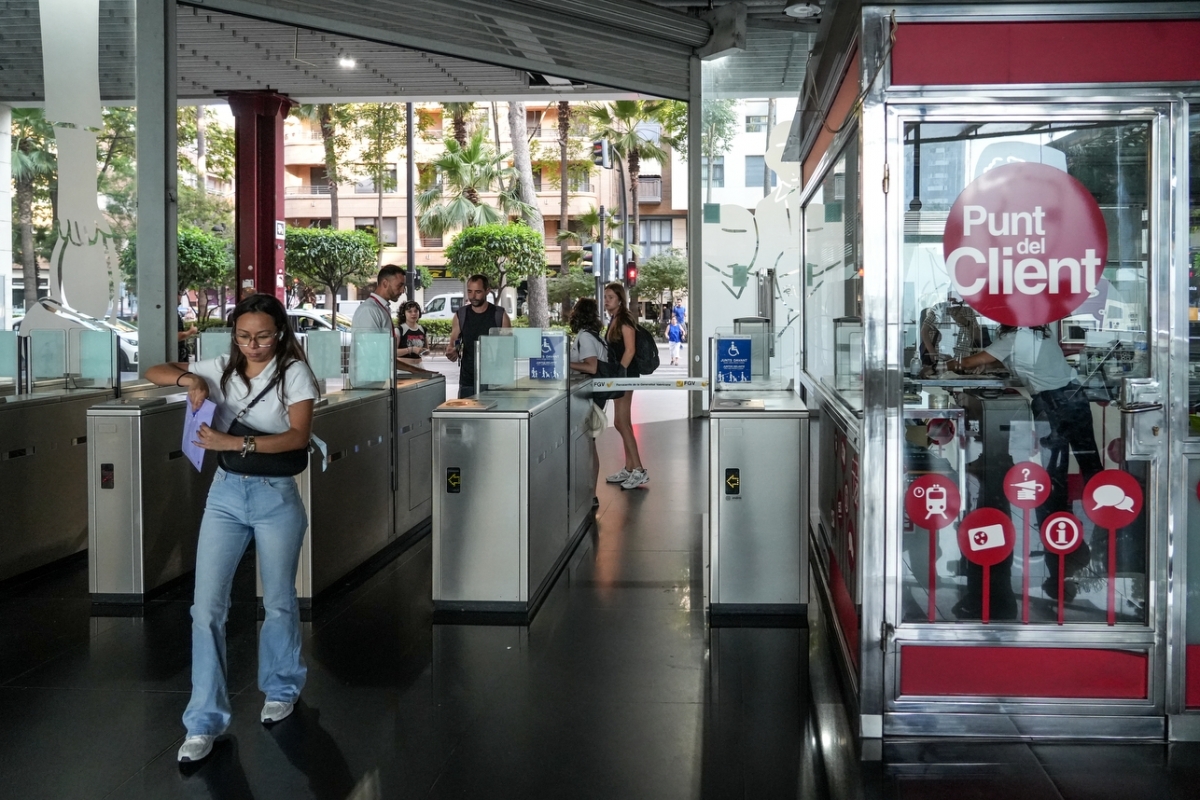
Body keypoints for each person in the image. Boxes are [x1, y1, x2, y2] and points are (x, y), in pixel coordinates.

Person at [144, 294, 319, 764]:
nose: (253, 344)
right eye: (244, 336)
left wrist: (231, 440)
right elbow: (152, 371)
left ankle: (281, 688)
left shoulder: (294, 373)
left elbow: (297, 436)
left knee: (278, 600)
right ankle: (203, 721)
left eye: (262, 335)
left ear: (279, 332)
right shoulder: (221, 366)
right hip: (225, 494)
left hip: (276, 496)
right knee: (206, 608)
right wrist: (190, 380)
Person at [950, 324, 1102, 603]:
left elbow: (971, 362)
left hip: (1051, 403)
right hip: (1075, 396)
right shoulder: (1040, 334)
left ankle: (1057, 520)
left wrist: (945, 363)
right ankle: (1104, 519)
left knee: (1054, 468)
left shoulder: (1012, 338)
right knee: (1089, 460)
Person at [603, 282, 647, 490]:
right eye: (605, 297)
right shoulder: (614, 319)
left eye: (610, 297)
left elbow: (630, 350)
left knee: (621, 422)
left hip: (626, 375)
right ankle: (630, 468)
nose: (606, 301)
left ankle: (638, 469)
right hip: (620, 374)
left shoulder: (625, 321)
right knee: (621, 422)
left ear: (620, 299)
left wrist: (620, 373)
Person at [445, 274, 510, 398]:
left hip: (495, 379)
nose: (473, 296)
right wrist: (453, 351)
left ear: (487, 291)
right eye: (469, 291)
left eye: (478, 292)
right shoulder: (461, 315)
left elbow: (508, 348)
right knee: (468, 415)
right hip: (468, 379)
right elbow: (454, 343)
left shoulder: (499, 315)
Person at [568, 297, 608, 480]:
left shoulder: (585, 337)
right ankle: (589, 490)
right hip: (595, 393)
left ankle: (590, 491)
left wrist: (566, 364)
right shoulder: (592, 334)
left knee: (588, 442)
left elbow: (591, 367)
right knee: (588, 442)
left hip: (591, 394)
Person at [397, 300, 428, 367]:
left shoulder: (423, 329)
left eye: (416, 311)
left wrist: (423, 351)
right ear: (404, 313)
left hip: (419, 366)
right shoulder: (399, 330)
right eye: (409, 311)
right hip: (404, 367)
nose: (413, 314)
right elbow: (393, 352)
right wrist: (411, 349)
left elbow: (427, 350)